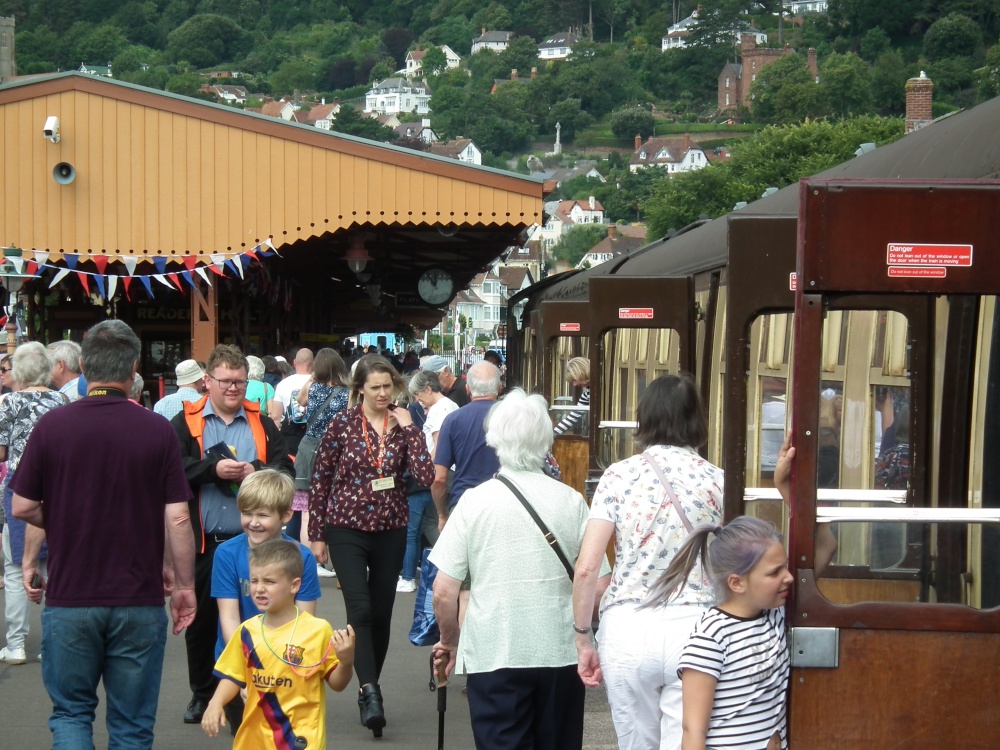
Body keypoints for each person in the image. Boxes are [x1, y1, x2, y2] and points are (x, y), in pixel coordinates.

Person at [12, 319, 196, 748]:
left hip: (71, 594)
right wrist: (185, 584)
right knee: (131, 724)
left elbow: (22, 506)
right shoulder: (156, 429)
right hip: (137, 596)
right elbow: (178, 518)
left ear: (83, 366)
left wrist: (63, 519)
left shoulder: (53, 426)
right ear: (133, 368)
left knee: (71, 714)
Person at [431, 389, 610, 749]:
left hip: (494, 651)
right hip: (560, 652)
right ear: (546, 441)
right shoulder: (572, 501)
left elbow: (444, 591)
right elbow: (600, 586)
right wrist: (583, 631)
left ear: (494, 439)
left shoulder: (474, 502)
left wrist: (449, 640)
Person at [573, 373, 724, 750]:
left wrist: (582, 638)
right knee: (687, 739)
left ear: (644, 417)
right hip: (697, 628)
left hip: (629, 628)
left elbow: (588, 567)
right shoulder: (719, 481)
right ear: (698, 418)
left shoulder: (617, 477)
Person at [308, 354, 435, 737]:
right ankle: (370, 691)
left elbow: (425, 476)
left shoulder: (406, 424)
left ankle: (370, 686)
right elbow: (321, 478)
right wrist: (316, 533)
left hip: (391, 527)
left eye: (387, 386)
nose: (383, 393)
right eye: (375, 387)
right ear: (360, 389)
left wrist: (410, 428)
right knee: (360, 607)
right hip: (345, 526)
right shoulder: (343, 424)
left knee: (380, 612)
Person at [171, 344, 293, 726]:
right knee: (202, 623)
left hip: (257, 543)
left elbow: (284, 468)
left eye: (239, 381)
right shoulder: (185, 421)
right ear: (207, 381)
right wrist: (212, 470)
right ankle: (203, 694)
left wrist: (255, 470)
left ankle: (258, 689)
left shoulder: (262, 422)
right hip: (205, 543)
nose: (232, 388)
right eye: (224, 381)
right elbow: (171, 470)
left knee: (256, 617)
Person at [647, 516, 793, 750]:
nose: (789, 577)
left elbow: (825, 546)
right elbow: (693, 729)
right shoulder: (712, 635)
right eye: (775, 572)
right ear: (737, 583)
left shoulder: (774, 615)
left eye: (786, 566)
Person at [202, 539, 356, 747]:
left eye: (269, 581)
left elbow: (337, 684)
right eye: (254, 580)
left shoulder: (317, 631)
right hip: (254, 741)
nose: (259, 588)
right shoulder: (247, 632)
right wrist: (216, 702)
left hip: (300, 740)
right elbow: (232, 675)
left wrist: (346, 662)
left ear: (294, 585)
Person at [211, 470, 322, 732]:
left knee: (283, 738)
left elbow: (304, 621)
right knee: (245, 736)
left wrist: (277, 671)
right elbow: (229, 617)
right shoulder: (227, 553)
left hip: (285, 666)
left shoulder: (302, 557)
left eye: (262, 515)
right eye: (247, 513)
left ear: (286, 515)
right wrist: (248, 673)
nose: (253, 522)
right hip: (239, 661)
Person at [0, 343, 67, 665]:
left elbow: (1, 452)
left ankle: (16, 644)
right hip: (57, 486)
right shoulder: (61, 401)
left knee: (15, 569)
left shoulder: (9, 402)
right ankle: (51, 643)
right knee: (53, 566)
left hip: (19, 485)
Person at [398, 370, 458, 592]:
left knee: (423, 526)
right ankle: (450, 563)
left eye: (418, 394)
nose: (417, 400)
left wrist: (423, 471)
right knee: (432, 523)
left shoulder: (438, 411)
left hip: (438, 474)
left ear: (429, 389)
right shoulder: (452, 406)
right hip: (450, 473)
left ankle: (412, 576)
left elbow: (438, 448)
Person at [431, 361, 502, 530]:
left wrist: (442, 515)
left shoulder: (452, 421)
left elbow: (439, 478)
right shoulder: (514, 418)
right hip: (505, 504)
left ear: (468, 389)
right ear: (500, 388)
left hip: (464, 504)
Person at [291, 347, 351, 547]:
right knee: (335, 506)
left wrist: (313, 376)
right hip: (336, 450)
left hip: (309, 449)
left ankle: (311, 557)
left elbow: (300, 400)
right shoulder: (347, 394)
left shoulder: (312, 388)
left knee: (308, 510)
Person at [269, 348, 313, 425]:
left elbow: (275, 417)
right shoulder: (319, 383)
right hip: (312, 429)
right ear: (313, 364)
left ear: (294, 362)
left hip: (290, 429)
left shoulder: (282, 384)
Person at [554, 356, 590, 436]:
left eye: (574, 380)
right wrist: (553, 434)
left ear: (581, 373)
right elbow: (574, 415)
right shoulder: (587, 393)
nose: (574, 384)